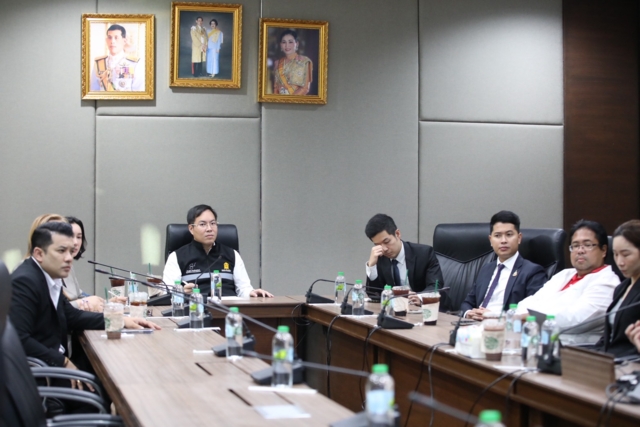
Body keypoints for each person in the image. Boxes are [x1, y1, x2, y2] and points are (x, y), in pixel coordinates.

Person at [9, 222, 160, 377]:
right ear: (39, 254)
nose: (69, 258)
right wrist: (63, 362)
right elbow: (19, 339)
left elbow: (72, 316)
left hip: (51, 366)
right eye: (61, 251)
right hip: (41, 376)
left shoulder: (48, 277)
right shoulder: (25, 281)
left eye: (70, 251)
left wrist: (121, 320)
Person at [515, 220, 619, 344]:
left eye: (587, 245)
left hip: (573, 349)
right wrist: (523, 316)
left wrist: (531, 317)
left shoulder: (607, 281)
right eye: (575, 245)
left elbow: (576, 320)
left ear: (603, 250)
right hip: (535, 342)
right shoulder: (564, 274)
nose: (580, 250)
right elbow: (529, 302)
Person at [162, 204, 273, 298]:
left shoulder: (232, 254)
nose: (209, 229)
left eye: (213, 223)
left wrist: (252, 293)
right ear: (191, 229)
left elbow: (243, 288)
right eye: (202, 224)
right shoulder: (177, 257)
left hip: (229, 309)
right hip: (196, 309)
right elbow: (166, 293)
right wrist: (181, 292)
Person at [460, 211, 546, 320]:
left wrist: (494, 316)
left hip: (506, 326)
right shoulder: (486, 269)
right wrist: (468, 313)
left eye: (509, 235)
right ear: (491, 240)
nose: (503, 241)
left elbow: (534, 312)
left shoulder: (533, 271)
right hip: (475, 324)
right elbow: (467, 303)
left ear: (519, 238)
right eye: (497, 236)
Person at [364, 214, 444, 301]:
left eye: (386, 242)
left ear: (397, 234)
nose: (384, 249)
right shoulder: (380, 257)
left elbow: (436, 286)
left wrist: (419, 298)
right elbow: (375, 295)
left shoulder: (424, 253)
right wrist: (371, 266)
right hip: (396, 307)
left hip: (427, 307)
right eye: (377, 244)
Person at [593, 220, 640, 357]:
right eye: (615, 254)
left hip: (630, 362)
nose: (619, 262)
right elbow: (610, 337)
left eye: (625, 254)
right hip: (610, 359)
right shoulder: (621, 288)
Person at [90, 24, 144, 91]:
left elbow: (139, 92)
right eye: (109, 37)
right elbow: (93, 91)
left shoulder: (134, 64)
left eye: (116, 38)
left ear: (124, 41)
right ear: (106, 40)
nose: (112, 41)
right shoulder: (99, 63)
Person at [272, 29, 313, 95]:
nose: (287, 45)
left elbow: (305, 88)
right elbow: (275, 88)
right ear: (280, 45)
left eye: (290, 42)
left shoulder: (304, 61)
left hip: (297, 100)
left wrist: (290, 99)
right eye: (284, 42)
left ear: (297, 44)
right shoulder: (277, 63)